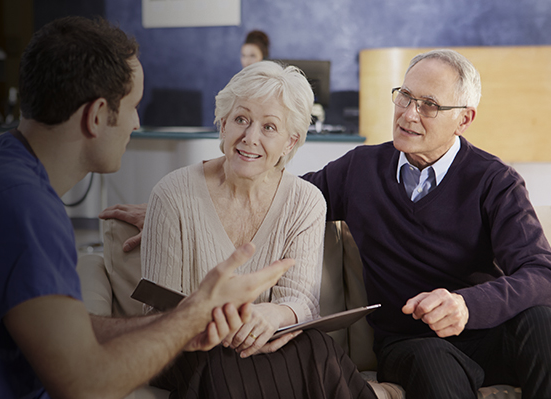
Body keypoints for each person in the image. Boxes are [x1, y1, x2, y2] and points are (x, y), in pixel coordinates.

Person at [100, 49, 551, 399]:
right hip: (412, 339)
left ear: (464, 119)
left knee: (542, 320)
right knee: (430, 361)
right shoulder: (360, 170)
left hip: (483, 330)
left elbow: (540, 272)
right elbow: (274, 189)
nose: (409, 113)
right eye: (406, 96)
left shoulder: (495, 181)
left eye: (429, 105)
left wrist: (467, 305)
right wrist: (173, 206)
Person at [0, 16, 295, 399]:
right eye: (133, 106)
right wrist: (192, 315)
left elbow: (63, 332)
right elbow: (86, 386)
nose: (137, 124)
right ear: (96, 116)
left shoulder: (3, 172)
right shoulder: (21, 207)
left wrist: (185, 318)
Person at [137, 60, 374, 398]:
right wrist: (220, 323)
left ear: (290, 142)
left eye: (269, 127)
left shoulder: (305, 201)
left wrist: (273, 314)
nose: (250, 138)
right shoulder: (172, 194)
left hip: (267, 340)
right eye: (241, 120)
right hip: (192, 349)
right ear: (222, 124)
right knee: (222, 362)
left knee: (318, 349)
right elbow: (156, 313)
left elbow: (301, 301)